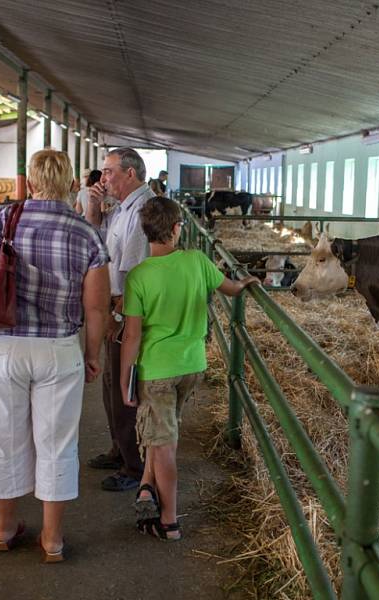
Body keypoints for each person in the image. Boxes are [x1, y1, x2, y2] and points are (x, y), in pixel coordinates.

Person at [0, 149, 110, 562]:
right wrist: (92, 354)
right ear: (72, 186)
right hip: (59, 350)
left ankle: (6, 527)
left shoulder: (4, 219)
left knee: (4, 438)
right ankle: (52, 538)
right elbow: (96, 308)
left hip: (5, 347)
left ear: (29, 184)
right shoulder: (87, 233)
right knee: (57, 442)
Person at [119, 196, 259, 540]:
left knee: (162, 441)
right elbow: (230, 288)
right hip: (192, 365)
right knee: (164, 430)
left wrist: (125, 379)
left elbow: (132, 336)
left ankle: (168, 521)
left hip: (156, 370)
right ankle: (146, 486)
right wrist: (244, 283)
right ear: (177, 229)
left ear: (145, 232)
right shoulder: (197, 261)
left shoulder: (138, 277)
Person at [85, 147, 155, 492]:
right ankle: (119, 449)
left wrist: (116, 315)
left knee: (125, 389)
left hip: (126, 311)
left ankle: (133, 464)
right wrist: (95, 211)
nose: (103, 178)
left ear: (131, 173)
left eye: (109, 172)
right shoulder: (123, 209)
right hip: (115, 306)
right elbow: (100, 246)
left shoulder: (142, 211)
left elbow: (133, 274)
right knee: (113, 385)